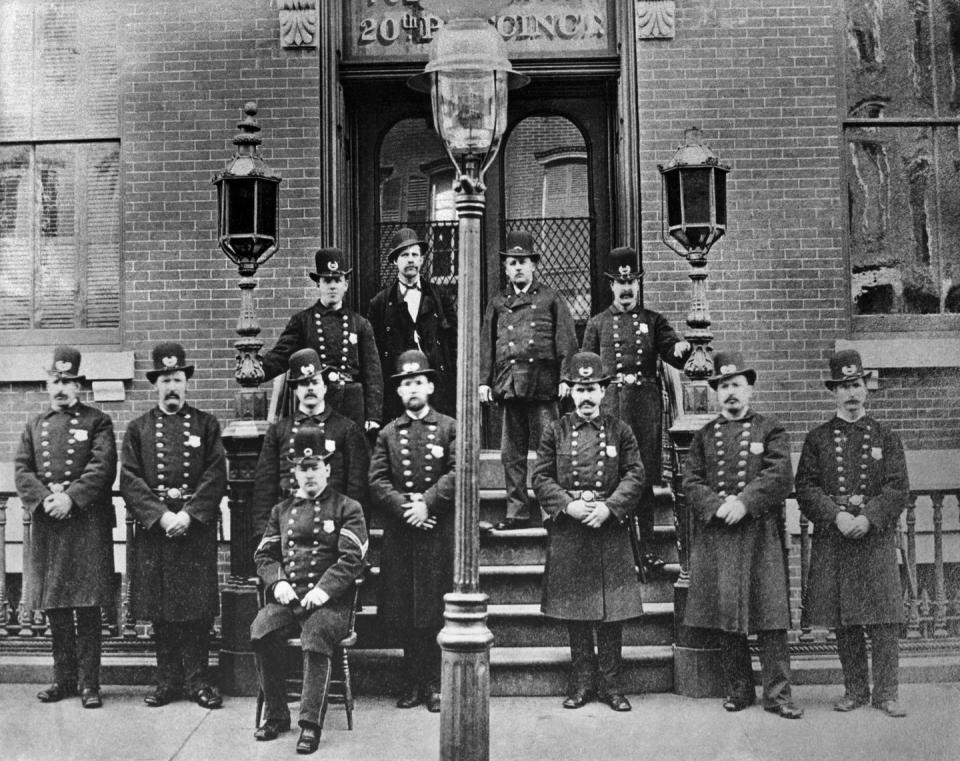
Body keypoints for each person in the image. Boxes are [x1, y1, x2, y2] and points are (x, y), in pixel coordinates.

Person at [682, 351, 802, 719]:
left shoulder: (771, 429)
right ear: (716, 393)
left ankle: (778, 695)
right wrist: (718, 505)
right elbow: (690, 481)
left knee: (770, 615)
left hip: (759, 532)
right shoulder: (704, 436)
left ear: (749, 389)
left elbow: (780, 474)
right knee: (727, 615)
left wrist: (745, 503)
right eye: (723, 386)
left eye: (736, 385)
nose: (729, 393)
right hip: (720, 534)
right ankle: (738, 690)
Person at [795, 349, 909, 718]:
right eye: (843, 386)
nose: (851, 393)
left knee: (884, 619)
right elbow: (806, 488)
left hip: (874, 539)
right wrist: (837, 516)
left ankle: (887, 693)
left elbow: (897, 488)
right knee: (846, 619)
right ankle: (856, 690)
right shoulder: (818, 439)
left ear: (866, 388)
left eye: (856, 384)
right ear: (834, 392)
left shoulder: (886, 436)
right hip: (836, 536)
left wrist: (870, 517)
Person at [532, 351, 645, 712]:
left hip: (609, 528)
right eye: (580, 389)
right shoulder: (556, 430)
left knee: (612, 614)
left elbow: (636, 474)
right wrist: (568, 504)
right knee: (576, 613)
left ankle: (612, 686)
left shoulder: (620, 430)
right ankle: (581, 685)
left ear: (603, 391)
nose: (585, 396)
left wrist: (610, 508)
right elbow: (541, 477)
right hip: (571, 529)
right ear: (571, 391)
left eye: (592, 389)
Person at [120, 342, 228, 709]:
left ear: (186, 383)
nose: (172, 386)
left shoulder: (206, 425)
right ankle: (167, 681)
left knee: (196, 611)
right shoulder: (138, 429)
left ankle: (199, 681)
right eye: (165, 379)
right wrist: (162, 515)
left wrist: (189, 514)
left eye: (178, 379)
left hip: (193, 530)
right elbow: (130, 479)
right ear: (155, 384)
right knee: (162, 611)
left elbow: (216, 475)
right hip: (157, 531)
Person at [250, 425, 368, 755]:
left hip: (331, 606)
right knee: (261, 629)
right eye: (303, 468)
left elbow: (353, 558)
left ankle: (310, 724)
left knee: (315, 635)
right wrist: (278, 581)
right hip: (290, 600)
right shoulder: (281, 511)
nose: (309, 474)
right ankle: (275, 714)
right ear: (294, 471)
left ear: (327, 469)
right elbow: (264, 554)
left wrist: (325, 589)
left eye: (315, 466)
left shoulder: (348, 508)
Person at [14, 346, 117, 709]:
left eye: (68, 381)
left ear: (79, 384)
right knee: (56, 608)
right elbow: (23, 470)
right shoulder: (35, 426)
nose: (61, 388)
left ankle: (90, 683)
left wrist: (70, 498)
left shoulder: (98, 422)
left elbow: (102, 468)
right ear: (47, 383)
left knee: (88, 608)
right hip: (50, 529)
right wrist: (45, 500)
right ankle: (64, 679)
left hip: (86, 526)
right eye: (55, 380)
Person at [582, 246, 690, 576]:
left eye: (632, 283)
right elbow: (584, 366)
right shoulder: (597, 324)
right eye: (620, 283)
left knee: (640, 480)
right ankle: (618, 553)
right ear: (611, 286)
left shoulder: (653, 321)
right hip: (612, 408)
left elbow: (673, 352)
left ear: (638, 285)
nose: (627, 289)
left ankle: (645, 551)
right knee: (612, 479)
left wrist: (683, 348)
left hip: (644, 408)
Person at [368, 350, 456, 713]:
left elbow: (458, 471)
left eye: (419, 381)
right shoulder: (389, 433)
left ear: (431, 386)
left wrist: (428, 504)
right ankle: (411, 680)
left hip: (436, 531)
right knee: (405, 608)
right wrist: (408, 508)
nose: (413, 389)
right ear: (400, 393)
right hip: (403, 533)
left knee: (434, 607)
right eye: (406, 384)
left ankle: (434, 683)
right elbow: (376, 480)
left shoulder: (449, 427)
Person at [479, 230, 578, 530]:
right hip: (510, 385)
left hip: (544, 385)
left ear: (534, 264)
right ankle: (517, 511)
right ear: (506, 267)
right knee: (512, 454)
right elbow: (486, 345)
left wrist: (567, 377)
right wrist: (484, 381)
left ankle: (553, 510)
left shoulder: (551, 298)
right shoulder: (497, 303)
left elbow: (567, 340)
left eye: (523, 261)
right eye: (513, 262)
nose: (518, 267)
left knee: (550, 450)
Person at [261, 247, 383, 434]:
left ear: (346, 285)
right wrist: (258, 369)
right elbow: (281, 355)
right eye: (327, 281)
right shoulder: (303, 321)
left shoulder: (360, 324)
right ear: (318, 284)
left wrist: (373, 416)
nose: (332, 286)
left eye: (337, 280)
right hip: (317, 402)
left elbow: (373, 374)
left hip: (352, 404)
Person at [251, 348, 369, 537]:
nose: (310, 388)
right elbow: (265, 487)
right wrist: (265, 535)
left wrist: (352, 533)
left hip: (332, 526)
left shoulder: (346, 430)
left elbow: (357, 488)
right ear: (295, 390)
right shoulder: (279, 431)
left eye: (315, 382)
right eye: (304, 384)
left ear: (324, 387)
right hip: (288, 525)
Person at [367, 228, 457, 422]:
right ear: (394, 261)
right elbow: (373, 354)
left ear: (422, 260)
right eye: (404, 255)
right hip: (398, 389)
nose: (410, 260)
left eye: (415, 255)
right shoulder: (380, 303)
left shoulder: (440, 297)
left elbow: (454, 342)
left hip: (437, 387)